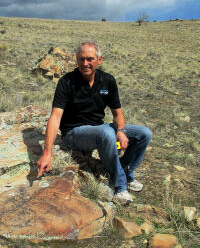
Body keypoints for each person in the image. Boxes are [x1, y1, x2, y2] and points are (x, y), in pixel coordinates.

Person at [36, 41, 152, 203]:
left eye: (90, 59)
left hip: (98, 128)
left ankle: (126, 170)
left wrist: (121, 131)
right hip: (74, 133)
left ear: (99, 60)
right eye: (81, 59)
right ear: (76, 60)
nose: (85, 63)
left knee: (144, 134)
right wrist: (47, 152)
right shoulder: (67, 82)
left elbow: (117, 114)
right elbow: (55, 116)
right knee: (106, 133)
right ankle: (120, 186)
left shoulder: (108, 81)